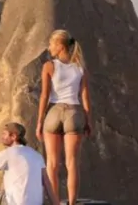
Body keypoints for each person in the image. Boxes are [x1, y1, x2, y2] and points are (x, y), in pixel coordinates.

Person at [36, 29, 92, 205]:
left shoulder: (49, 66)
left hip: (54, 113)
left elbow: (44, 96)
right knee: (71, 163)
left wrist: (39, 122)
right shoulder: (80, 68)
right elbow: (84, 96)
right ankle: (72, 203)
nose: (49, 47)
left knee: (52, 163)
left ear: (60, 46)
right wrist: (88, 120)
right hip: (74, 113)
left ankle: (55, 202)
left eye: (52, 43)